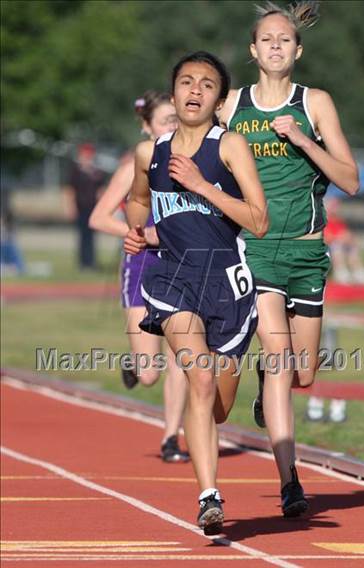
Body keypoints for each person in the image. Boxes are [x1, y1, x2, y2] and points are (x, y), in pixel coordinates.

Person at [218, 0, 359, 517]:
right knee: (280, 363)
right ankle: (290, 483)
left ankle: (266, 385)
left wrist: (301, 138)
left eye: (285, 39)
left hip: (306, 252)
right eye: (267, 39)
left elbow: (350, 179)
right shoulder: (232, 106)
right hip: (254, 251)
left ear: (297, 50)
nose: (276, 46)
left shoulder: (314, 102)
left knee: (304, 374)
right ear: (253, 50)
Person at [124, 51, 268, 534]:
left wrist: (204, 186)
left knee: (218, 406)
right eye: (186, 82)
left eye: (207, 85)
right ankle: (209, 497)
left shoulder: (230, 148)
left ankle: (260, 385)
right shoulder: (151, 152)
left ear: (219, 100)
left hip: (228, 282)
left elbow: (258, 220)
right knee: (200, 381)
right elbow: (139, 198)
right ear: (174, 90)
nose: (195, 90)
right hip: (174, 279)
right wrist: (138, 231)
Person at [89, 92, 189, 463]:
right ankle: (135, 363)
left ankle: (170, 438)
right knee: (149, 374)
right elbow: (98, 218)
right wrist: (136, 235)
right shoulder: (133, 166)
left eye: (177, 119)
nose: (173, 127)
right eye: (165, 121)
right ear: (146, 127)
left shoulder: (190, 161)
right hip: (142, 266)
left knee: (182, 354)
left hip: (181, 266)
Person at [64, 143, 106, 270]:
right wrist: (70, 207)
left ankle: (91, 262)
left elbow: (101, 191)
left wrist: (103, 209)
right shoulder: (75, 171)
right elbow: (69, 190)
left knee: (92, 236)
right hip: (80, 206)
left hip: (93, 207)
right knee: (82, 236)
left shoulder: (97, 172)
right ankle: (83, 263)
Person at [324, 197, 364, 284]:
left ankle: (359, 272)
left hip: (343, 245)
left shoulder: (340, 221)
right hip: (331, 247)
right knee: (337, 248)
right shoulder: (325, 221)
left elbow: (347, 234)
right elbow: (326, 238)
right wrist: (339, 238)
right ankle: (342, 273)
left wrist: (348, 239)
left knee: (353, 249)